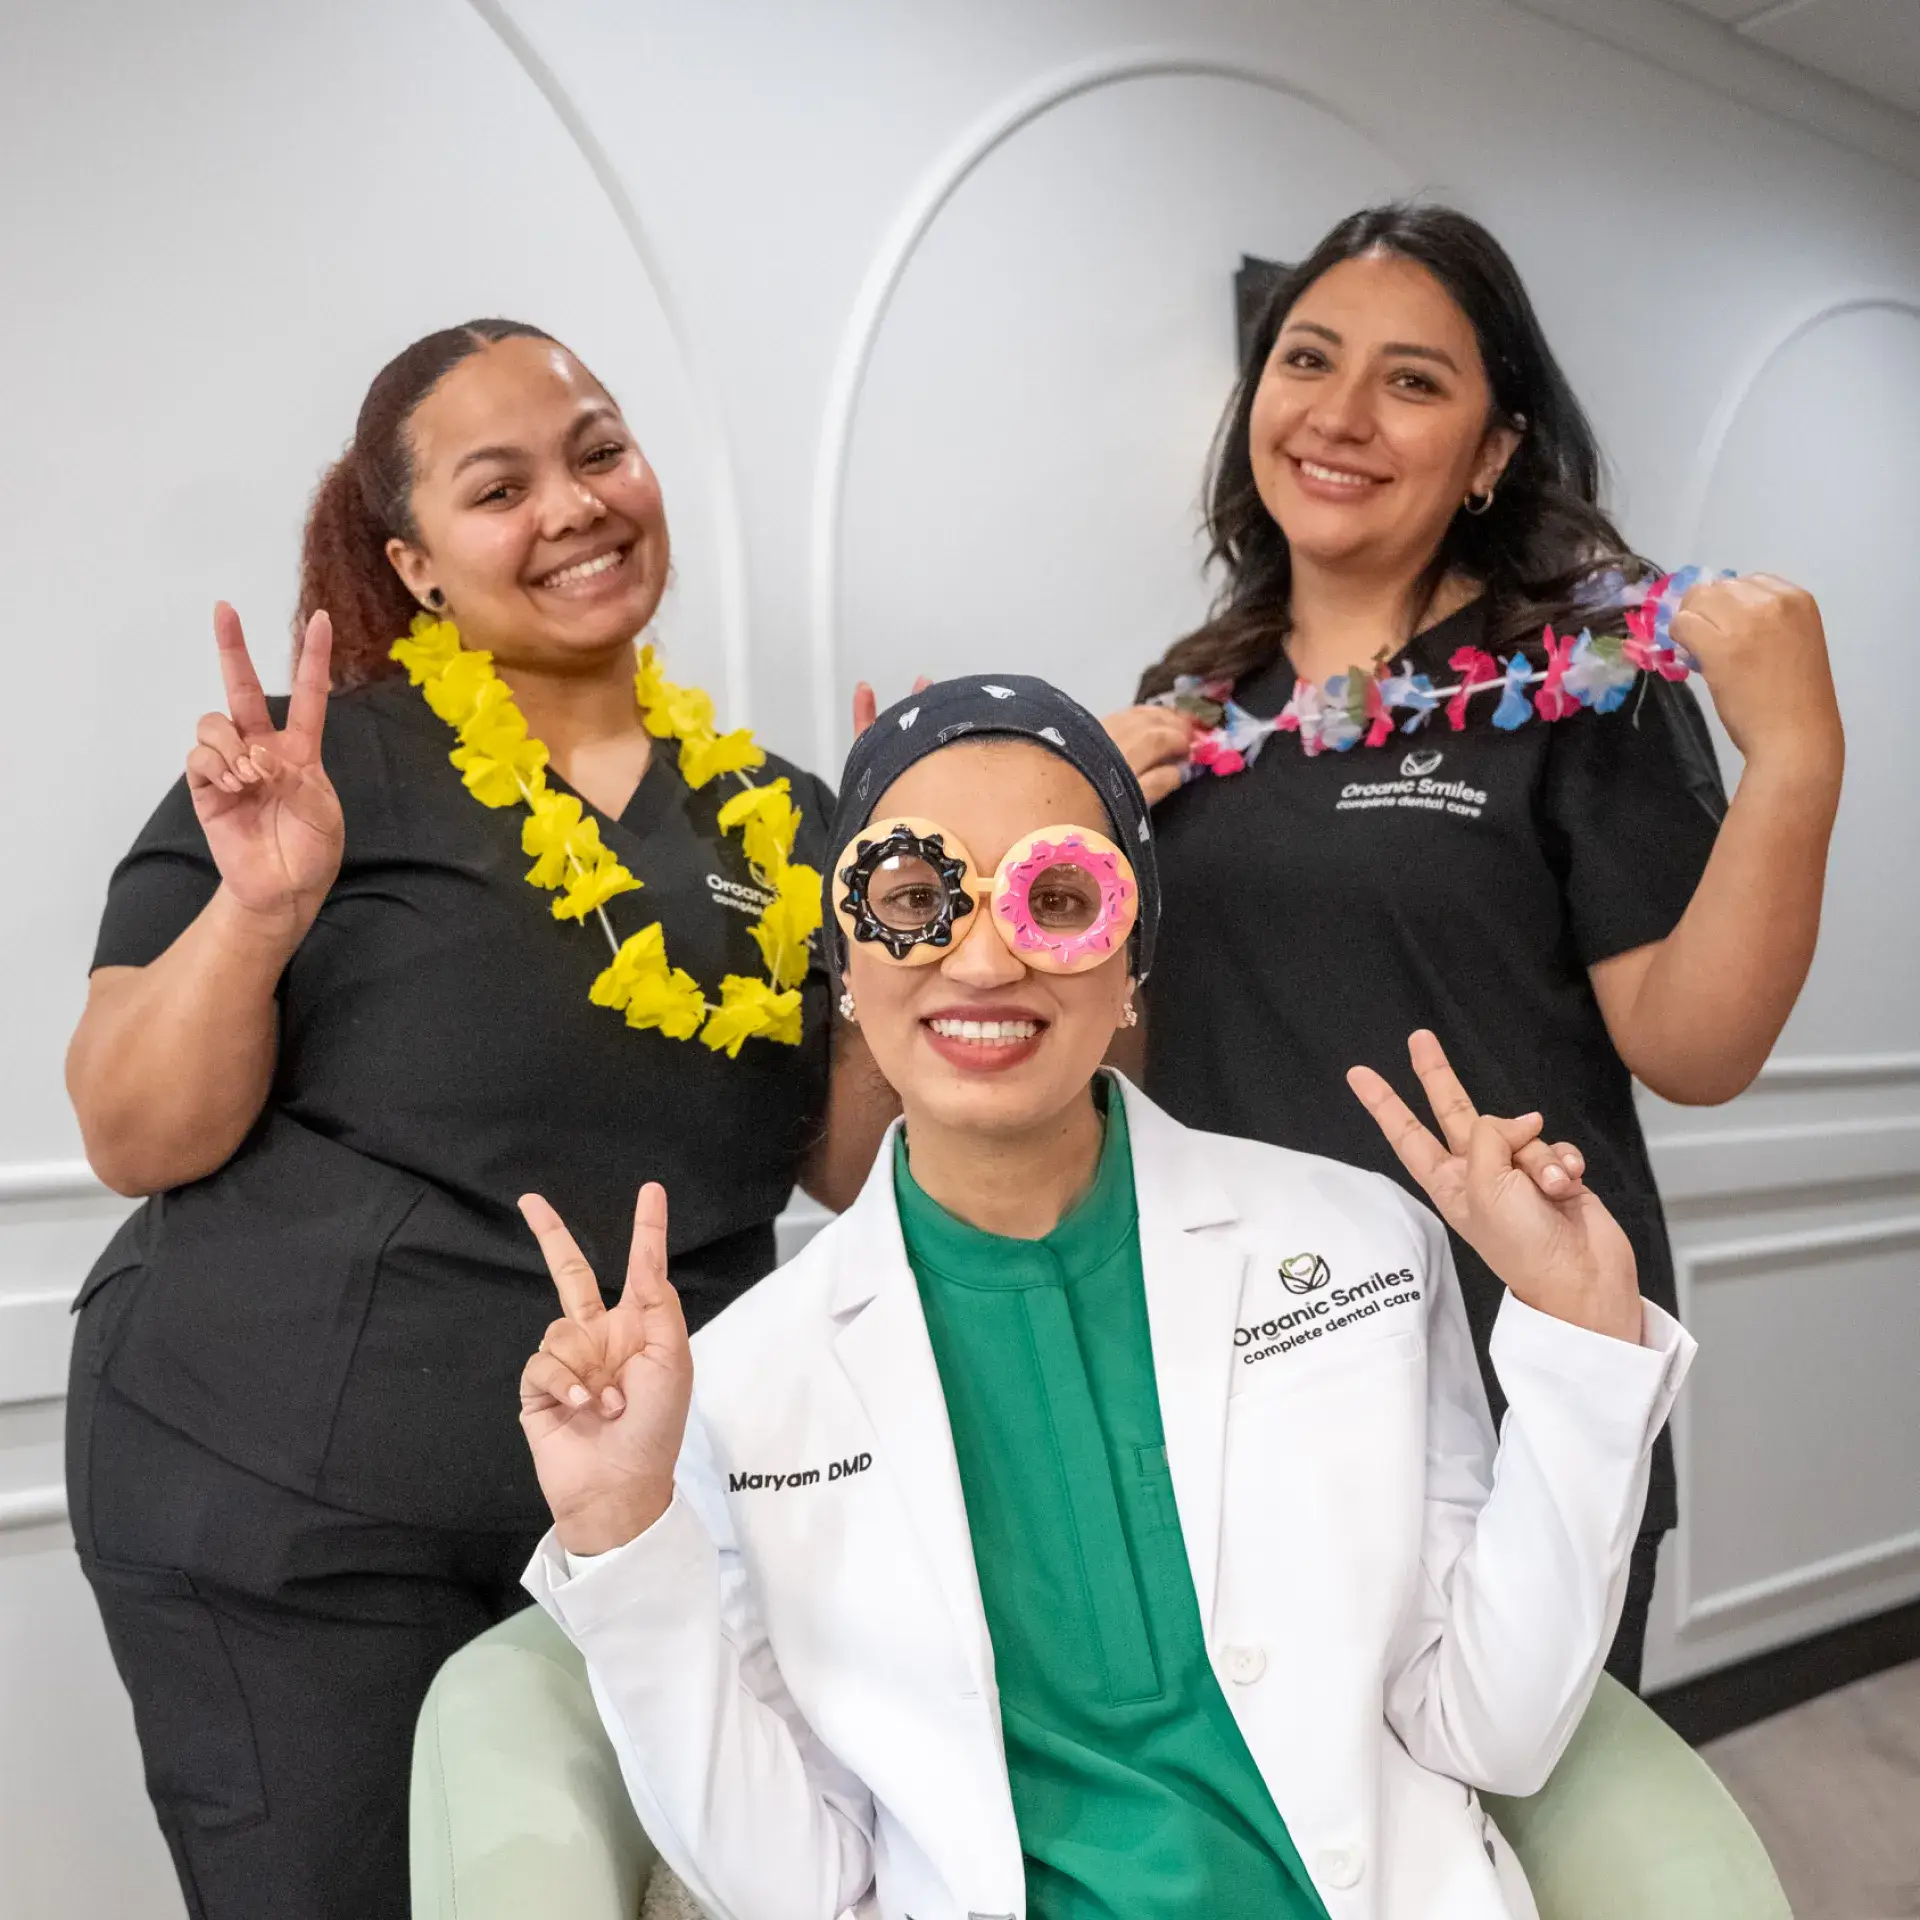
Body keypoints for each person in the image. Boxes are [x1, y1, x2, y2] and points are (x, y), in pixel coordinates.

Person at [512, 675, 1694, 1920]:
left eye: (1056, 897)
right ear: (848, 960)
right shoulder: (742, 1383)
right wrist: (622, 1539)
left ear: (1129, 957)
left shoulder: (1361, 1248)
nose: (983, 956)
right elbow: (797, 1885)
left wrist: (1580, 1342)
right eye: (916, 900)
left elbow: (1488, 1730)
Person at [63, 320, 889, 1920]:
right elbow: (131, 1132)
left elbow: (850, 1170)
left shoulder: (781, 815)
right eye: (498, 486)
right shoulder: (315, 767)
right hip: (284, 1513)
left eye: (597, 450)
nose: (574, 504)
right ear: (417, 565)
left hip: (626, 1524)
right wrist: (259, 910)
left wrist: (890, 927)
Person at [1105, 205, 1841, 1686]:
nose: (1342, 414)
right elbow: (1130, 1061)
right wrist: (1074, 831)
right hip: (1231, 1368)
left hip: (1514, 1370)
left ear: (1496, 447)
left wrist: (1800, 760)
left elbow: (1695, 1051)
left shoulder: (1580, 683)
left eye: (1415, 381)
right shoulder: (1190, 701)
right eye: (1307, 359)